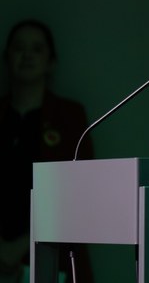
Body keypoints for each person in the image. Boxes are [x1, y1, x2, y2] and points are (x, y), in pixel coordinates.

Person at [0, 19, 94, 283]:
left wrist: (20, 247)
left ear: (51, 61)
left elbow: (82, 190)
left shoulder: (70, 116)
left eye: (37, 49)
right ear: (7, 57)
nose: (27, 55)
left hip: (56, 258)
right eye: (19, 47)